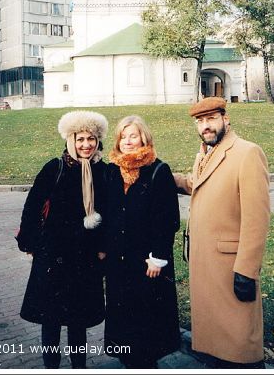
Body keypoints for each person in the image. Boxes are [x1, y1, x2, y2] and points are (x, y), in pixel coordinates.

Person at [174, 97, 270, 369]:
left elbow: (256, 218)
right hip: (207, 264)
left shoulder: (247, 153)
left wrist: (247, 270)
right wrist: (167, 178)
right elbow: (198, 184)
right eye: (200, 122)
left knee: (239, 345)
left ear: (225, 119)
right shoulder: (207, 152)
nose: (206, 126)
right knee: (216, 344)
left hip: (231, 266)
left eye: (211, 119)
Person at [16, 110, 108, 369]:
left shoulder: (103, 171)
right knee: (52, 318)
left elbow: (110, 213)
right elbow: (32, 206)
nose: (86, 145)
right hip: (54, 255)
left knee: (77, 320)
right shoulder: (53, 168)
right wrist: (30, 242)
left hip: (84, 257)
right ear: (70, 140)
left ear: (98, 140)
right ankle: (51, 366)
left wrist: (102, 248)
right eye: (80, 139)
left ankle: (79, 365)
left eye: (91, 139)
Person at [103, 115, 180, 369]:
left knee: (147, 331)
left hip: (147, 263)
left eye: (133, 136)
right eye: (123, 137)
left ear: (144, 138)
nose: (127, 141)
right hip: (118, 263)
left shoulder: (158, 170)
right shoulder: (111, 171)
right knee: (124, 328)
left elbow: (167, 219)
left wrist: (158, 256)